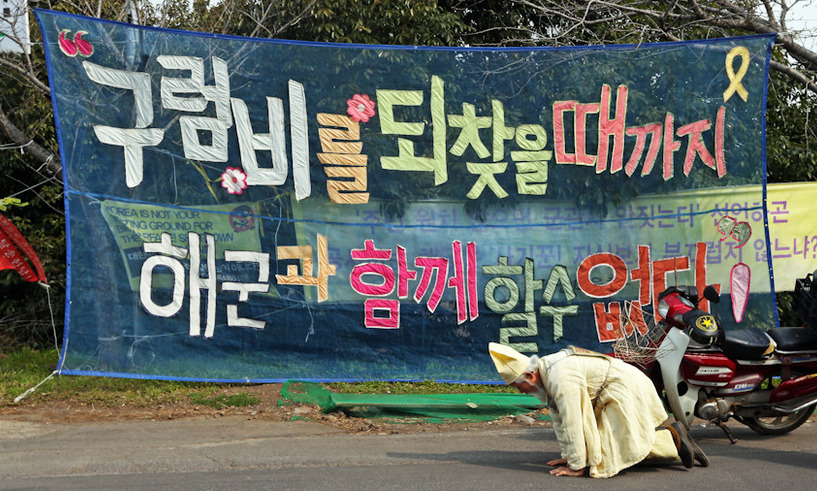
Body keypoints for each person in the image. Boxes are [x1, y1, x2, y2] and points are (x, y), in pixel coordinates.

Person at [488, 342, 709, 478]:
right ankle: (673, 438)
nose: (522, 392)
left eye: (519, 386)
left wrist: (577, 466)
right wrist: (569, 457)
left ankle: (672, 438)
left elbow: (573, 420)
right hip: (615, 389)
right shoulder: (546, 372)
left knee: (605, 457)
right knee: (606, 450)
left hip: (625, 388)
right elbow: (559, 418)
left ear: (529, 375)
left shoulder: (559, 376)